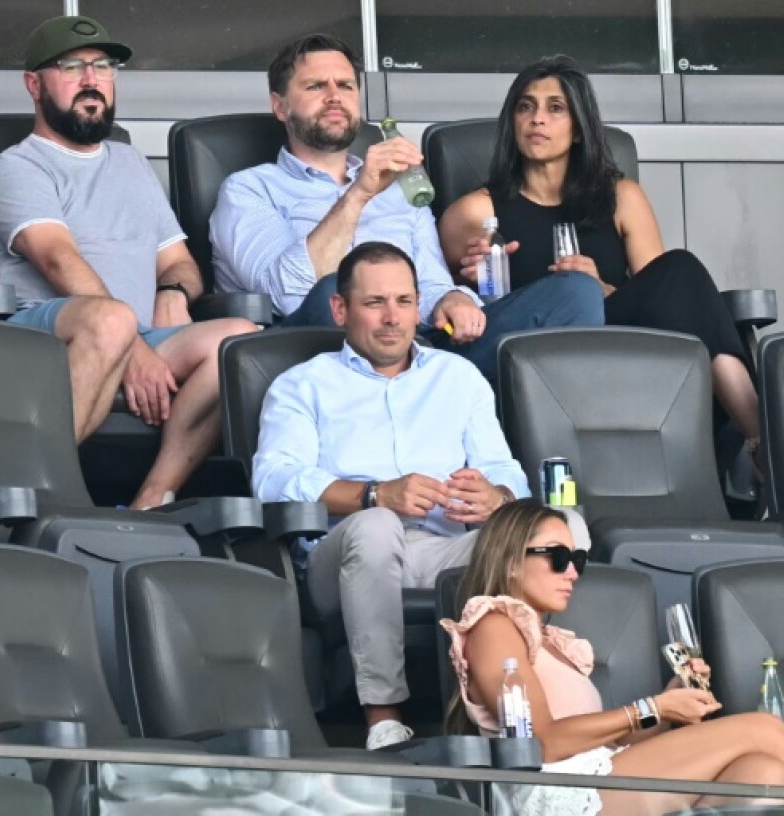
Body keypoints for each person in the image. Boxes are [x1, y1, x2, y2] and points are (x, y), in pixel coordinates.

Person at [252, 241, 591, 750]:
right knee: (375, 526)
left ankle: (544, 702)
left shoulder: (457, 378)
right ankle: (384, 718)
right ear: (340, 309)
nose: (393, 318)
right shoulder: (303, 385)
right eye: (375, 303)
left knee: (557, 533)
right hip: (340, 554)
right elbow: (275, 480)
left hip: (444, 548)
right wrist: (373, 495)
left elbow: (506, 473)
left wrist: (494, 497)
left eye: (405, 302)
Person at [0, 15, 258, 509]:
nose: (92, 80)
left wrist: (170, 294)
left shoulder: (130, 164)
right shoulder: (16, 168)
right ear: (33, 85)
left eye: (103, 67)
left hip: (131, 335)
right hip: (41, 343)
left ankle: (152, 500)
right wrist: (132, 348)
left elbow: (180, 265)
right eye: (73, 67)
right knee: (112, 318)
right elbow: (60, 263)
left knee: (238, 341)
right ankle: (39, 496)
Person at [209, 34, 604, 380]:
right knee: (342, 289)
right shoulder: (248, 189)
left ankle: (563, 445)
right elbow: (286, 295)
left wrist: (454, 300)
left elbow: (430, 281)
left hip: (425, 345)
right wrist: (359, 195)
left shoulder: (400, 189)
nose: (334, 97)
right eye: (315, 86)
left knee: (576, 293)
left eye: (345, 85)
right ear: (280, 107)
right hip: (324, 351)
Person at [438, 54, 761, 458]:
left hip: (618, 348)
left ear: (578, 130)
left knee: (681, 269)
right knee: (576, 292)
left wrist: (604, 288)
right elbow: (443, 307)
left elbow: (664, 299)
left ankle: (760, 438)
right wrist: (471, 277)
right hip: (532, 353)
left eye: (555, 108)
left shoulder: (622, 197)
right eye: (526, 106)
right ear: (513, 122)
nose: (537, 119)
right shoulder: (475, 211)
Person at [441, 499, 784, 816]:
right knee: (766, 729)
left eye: (578, 560)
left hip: (594, 777)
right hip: (551, 791)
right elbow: (543, 742)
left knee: (764, 772)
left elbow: (608, 745)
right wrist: (655, 707)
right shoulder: (493, 622)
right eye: (557, 557)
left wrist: (670, 700)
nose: (572, 572)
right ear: (510, 561)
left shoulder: (553, 642)